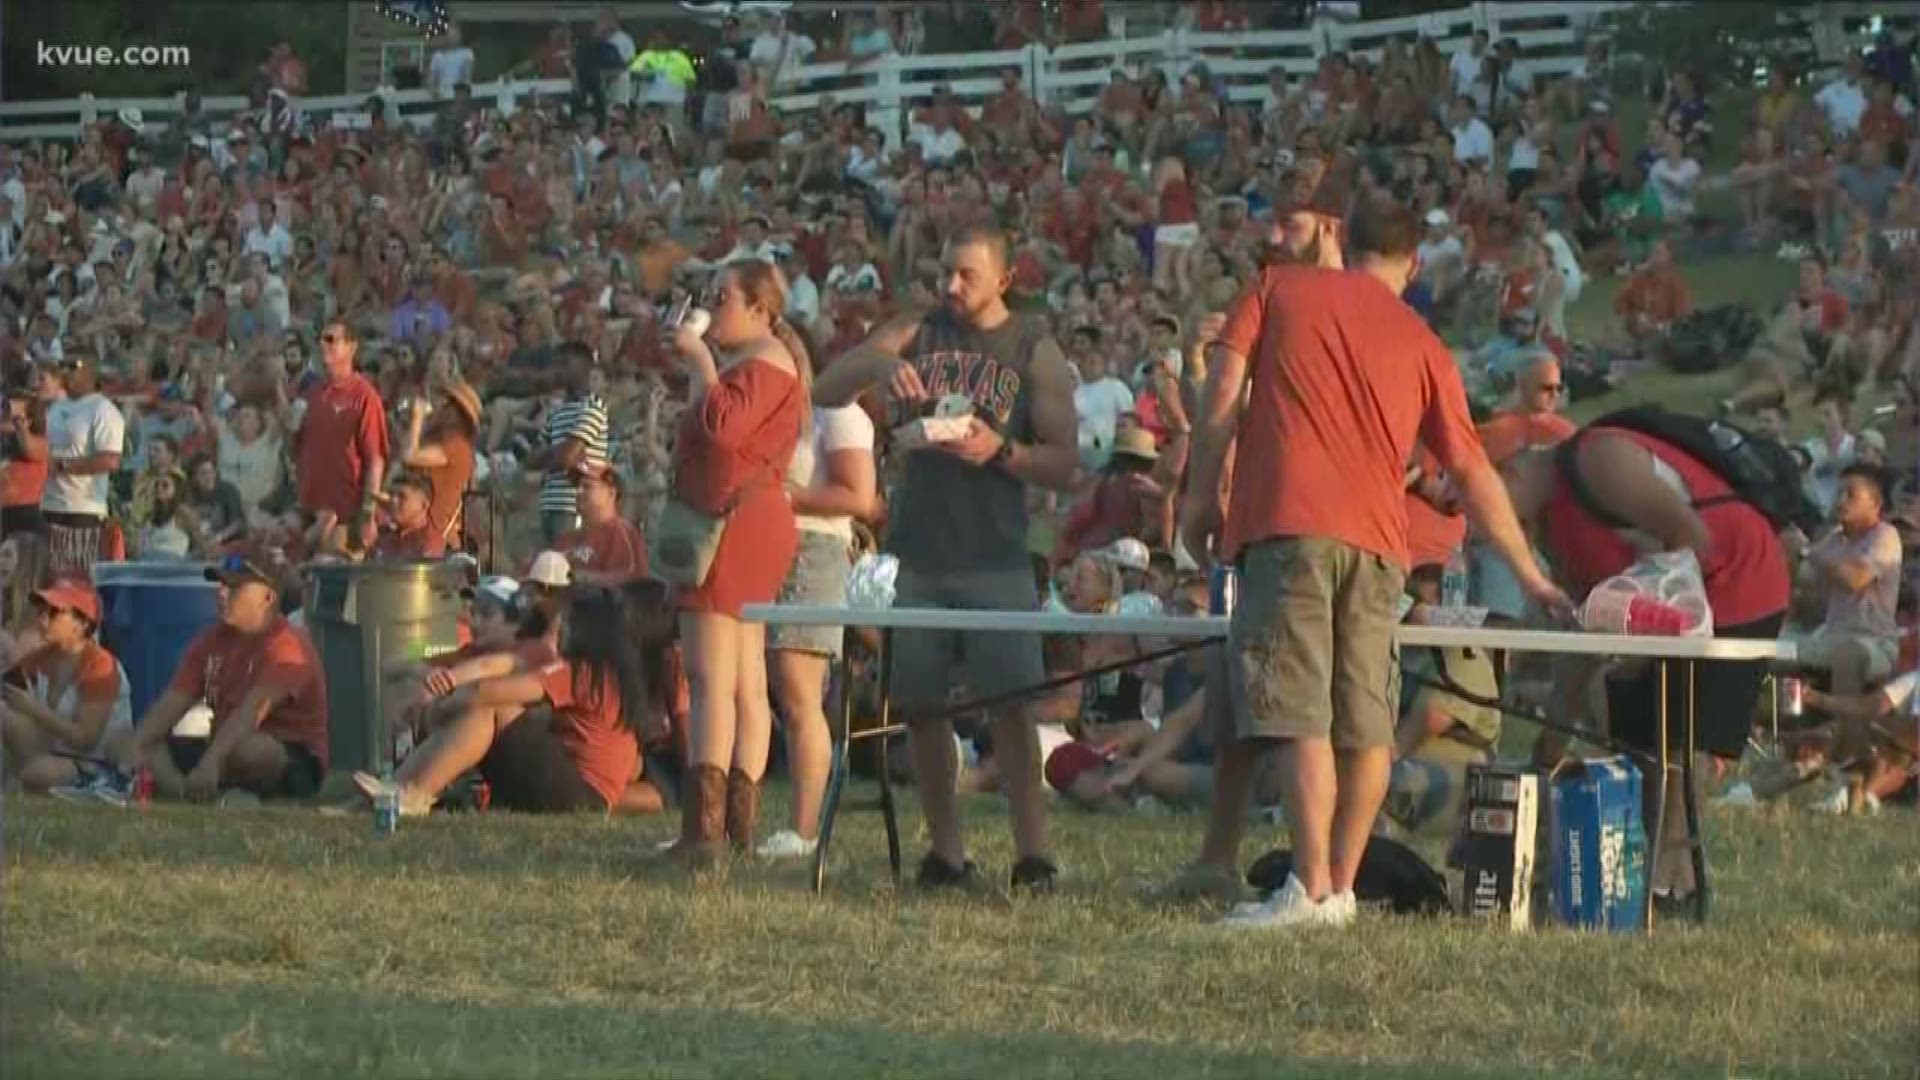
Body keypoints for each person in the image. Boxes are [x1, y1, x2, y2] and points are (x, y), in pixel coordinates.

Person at [1177, 199, 1567, 929]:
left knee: (1300, 713)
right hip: (1381, 544)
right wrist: (1533, 573)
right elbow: (1473, 470)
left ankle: (1309, 887)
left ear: (1341, 239)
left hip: (1287, 526)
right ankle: (1342, 889)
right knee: (1365, 724)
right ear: (1413, 263)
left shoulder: (1277, 289)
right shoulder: (1423, 341)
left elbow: (1223, 398)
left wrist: (1200, 501)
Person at [814, 225, 1082, 891]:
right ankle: (947, 853)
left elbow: (1065, 463)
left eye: (966, 274)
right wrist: (879, 365)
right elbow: (825, 387)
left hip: (996, 556)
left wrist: (1003, 452)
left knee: (1012, 708)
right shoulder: (916, 329)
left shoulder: (1031, 347)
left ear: (1004, 279)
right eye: (945, 273)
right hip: (921, 554)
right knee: (923, 706)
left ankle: (1034, 853)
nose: (951, 287)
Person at [1501, 419, 1791, 910]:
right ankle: (1629, 871)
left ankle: (1671, 880)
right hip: (1667, 607)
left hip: (1734, 583)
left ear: (1509, 476)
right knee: (1635, 736)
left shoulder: (1599, 458)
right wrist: (1549, 743)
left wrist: (1642, 608)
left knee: (1674, 740)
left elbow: (1690, 537)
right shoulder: (1557, 526)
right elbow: (1585, 631)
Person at [662, 258, 808, 864]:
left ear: (760, 309)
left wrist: (698, 358)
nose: (712, 307)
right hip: (753, 519)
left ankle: (705, 835)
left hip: (732, 526)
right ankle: (735, 829)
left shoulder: (764, 366)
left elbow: (722, 429)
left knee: (710, 679)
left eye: (723, 298)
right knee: (746, 680)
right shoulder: (764, 365)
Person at [355, 584, 672, 816]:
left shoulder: (536, 653)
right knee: (484, 707)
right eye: (471, 612)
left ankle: (412, 793)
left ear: (512, 625)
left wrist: (440, 694)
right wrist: (419, 666)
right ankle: (397, 790)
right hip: (577, 785)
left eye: (485, 614)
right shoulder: (464, 648)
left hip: (577, 792)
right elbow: (412, 658)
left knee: (490, 708)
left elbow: (490, 675)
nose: (473, 621)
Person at [759, 366, 878, 859]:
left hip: (813, 548)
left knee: (799, 690)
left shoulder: (838, 412)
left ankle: (805, 831)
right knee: (769, 690)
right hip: (764, 542)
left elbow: (859, 497)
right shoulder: (769, 410)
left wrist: (783, 496)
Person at [111, 549, 328, 802]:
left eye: (234, 587)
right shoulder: (211, 641)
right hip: (221, 745)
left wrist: (211, 762)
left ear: (267, 598)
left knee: (249, 751)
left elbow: (251, 712)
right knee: (124, 738)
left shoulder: (287, 645)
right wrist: (135, 747)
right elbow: (170, 705)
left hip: (287, 758)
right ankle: (186, 794)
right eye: (221, 584)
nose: (221, 593)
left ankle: (221, 791)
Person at [0, 578, 131, 794]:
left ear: (82, 624)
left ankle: (105, 784)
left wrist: (33, 709)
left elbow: (86, 739)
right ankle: (19, 783)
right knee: (6, 717)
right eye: (42, 610)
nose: (42, 617)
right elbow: (6, 686)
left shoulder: (101, 665)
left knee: (38, 772)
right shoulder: (41, 658)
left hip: (97, 759)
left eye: (53, 612)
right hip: (57, 751)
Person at [285, 320, 390, 555]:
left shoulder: (364, 396)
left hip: (345, 514)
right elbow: (293, 452)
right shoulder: (312, 395)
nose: (324, 345)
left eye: (332, 339)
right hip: (309, 511)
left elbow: (376, 460)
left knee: (332, 575)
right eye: (322, 339)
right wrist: (290, 428)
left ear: (351, 347)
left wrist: (367, 514)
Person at [1799, 464, 1903, 699]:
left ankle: (1849, 734)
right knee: (1768, 652)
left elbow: (1855, 579)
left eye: (1851, 494)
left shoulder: (1885, 535)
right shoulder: (1833, 539)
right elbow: (1804, 584)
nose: (1841, 500)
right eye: (1838, 493)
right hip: (1829, 636)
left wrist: (1809, 552)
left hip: (1875, 643)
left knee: (1848, 655)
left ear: (1875, 504)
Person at [37, 355, 126, 577]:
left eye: (73, 366)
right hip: (48, 504)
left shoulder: (103, 410)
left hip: (82, 510)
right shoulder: (57, 406)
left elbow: (111, 460)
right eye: (62, 366)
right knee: (46, 578)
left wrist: (64, 465)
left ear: (90, 372)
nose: (66, 371)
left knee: (76, 581)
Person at [394, 378, 481, 551]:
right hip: (414, 531)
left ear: (456, 414)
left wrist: (418, 418)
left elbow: (409, 455)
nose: (438, 407)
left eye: (445, 404)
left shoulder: (457, 446)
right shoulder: (435, 441)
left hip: (437, 537)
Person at [553, 461, 647, 587]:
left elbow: (630, 578)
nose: (578, 491)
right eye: (576, 486)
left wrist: (573, 576)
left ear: (611, 493)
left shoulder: (622, 531)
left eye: (587, 486)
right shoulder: (566, 538)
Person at [369, 471, 446, 560]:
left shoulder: (429, 542)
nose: (393, 501)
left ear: (424, 505)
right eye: (391, 495)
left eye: (401, 496)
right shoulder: (384, 538)